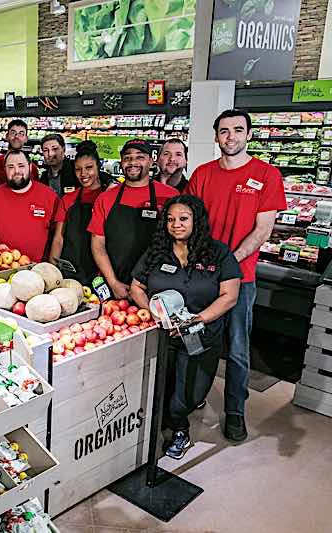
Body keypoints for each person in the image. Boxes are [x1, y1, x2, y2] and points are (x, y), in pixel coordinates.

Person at [185, 109, 286, 442]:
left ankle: (235, 412)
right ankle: (195, 395)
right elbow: (192, 223)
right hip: (202, 277)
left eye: (238, 130)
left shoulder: (267, 175)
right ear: (216, 137)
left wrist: (229, 262)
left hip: (240, 280)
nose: (231, 136)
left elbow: (263, 229)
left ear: (248, 134)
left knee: (239, 348)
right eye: (224, 131)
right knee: (198, 341)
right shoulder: (202, 174)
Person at [130, 195, 241, 459]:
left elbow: (230, 295)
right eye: (170, 219)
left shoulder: (218, 252)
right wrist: (152, 312)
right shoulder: (157, 252)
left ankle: (180, 415)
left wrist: (198, 319)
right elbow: (136, 286)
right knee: (160, 388)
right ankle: (177, 429)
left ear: (196, 221)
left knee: (189, 393)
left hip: (201, 337)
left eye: (183, 218)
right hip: (163, 336)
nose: (176, 224)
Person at [89, 139, 179, 299]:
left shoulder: (170, 196)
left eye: (140, 157)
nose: (133, 162)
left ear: (151, 161)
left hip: (156, 286)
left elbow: (178, 243)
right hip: (115, 284)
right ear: (121, 162)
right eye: (127, 157)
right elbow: (98, 244)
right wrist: (113, 282)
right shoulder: (106, 198)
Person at [0, 150, 63, 263]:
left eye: (21, 166)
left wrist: (52, 264)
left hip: (39, 268)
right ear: (5, 170)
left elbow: (59, 235)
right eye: (10, 167)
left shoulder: (49, 196)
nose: (16, 171)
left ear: (30, 167)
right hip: (3, 266)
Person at [49, 142, 107, 284]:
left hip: (103, 270)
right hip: (72, 269)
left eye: (89, 168)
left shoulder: (109, 197)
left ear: (98, 167)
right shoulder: (68, 199)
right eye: (78, 169)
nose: (83, 174)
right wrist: (51, 270)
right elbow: (59, 238)